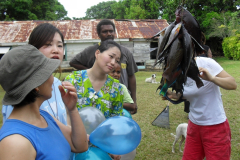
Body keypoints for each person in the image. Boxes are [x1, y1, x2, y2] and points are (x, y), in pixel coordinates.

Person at [0, 45, 88, 159]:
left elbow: (80, 146)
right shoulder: (15, 142)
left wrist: (72, 109)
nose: (53, 79)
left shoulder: (45, 117)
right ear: (36, 85)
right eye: (48, 73)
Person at [163, 56, 237, 159]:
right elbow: (192, 92)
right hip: (193, 126)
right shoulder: (178, 70)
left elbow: (233, 84)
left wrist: (212, 78)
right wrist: (176, 95)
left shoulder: (205, 63)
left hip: (215, 126)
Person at [65, 40, 124, 160]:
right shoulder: (73, 80)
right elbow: (63, 115)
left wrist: (113, 148)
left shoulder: (116, 88)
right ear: (97, 53)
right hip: (72, 145)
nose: (113, 63)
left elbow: (114, 122)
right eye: (111, 56)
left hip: (101, 150)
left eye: (117, 60)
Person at [2, 23, 70, 126]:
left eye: (60, 45)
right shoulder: (21, 89)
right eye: (48, 44)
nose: (56, 50)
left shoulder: (59, 85)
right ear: (32, 49)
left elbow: (65, 120)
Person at [69, 19, 138, 114]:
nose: (109, 34)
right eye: (105, 31)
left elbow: (131, 76)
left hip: (118, 98)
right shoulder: (75, 78)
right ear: (97, 54)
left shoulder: (118, 88)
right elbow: (73, 62)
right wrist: (89, 72)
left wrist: (134, 100)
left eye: (111, 31)